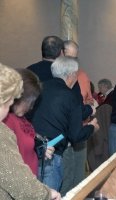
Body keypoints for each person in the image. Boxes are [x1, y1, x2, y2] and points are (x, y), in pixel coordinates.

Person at [31, 56, 99, 192]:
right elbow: (76, 135)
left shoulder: (38, 89)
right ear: (71, 75)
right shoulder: (70, 96)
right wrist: (92, 127)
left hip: (33, 151)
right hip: (52, 155)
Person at [0, 63, 61, 200]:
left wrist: (39, 151)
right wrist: (46, 194)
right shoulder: (4, 127)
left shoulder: (20, 120)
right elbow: (15, 177)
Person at [60, 40, 96, 196]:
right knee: (66, 178)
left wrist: (91, 105)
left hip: (81, 129)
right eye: (69, 57)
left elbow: (87, 99)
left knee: (80, 177)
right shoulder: (55, 75)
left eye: (75, 58)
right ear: (61, 55)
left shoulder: (82, 75)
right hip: (64, 135)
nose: (72, 62)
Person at [3, 69, 54, 176]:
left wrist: (41, 151)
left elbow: (25, 150)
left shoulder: (21, 118)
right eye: (31, 102)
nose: (31, 107)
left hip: (30, 181)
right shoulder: (7, 122)